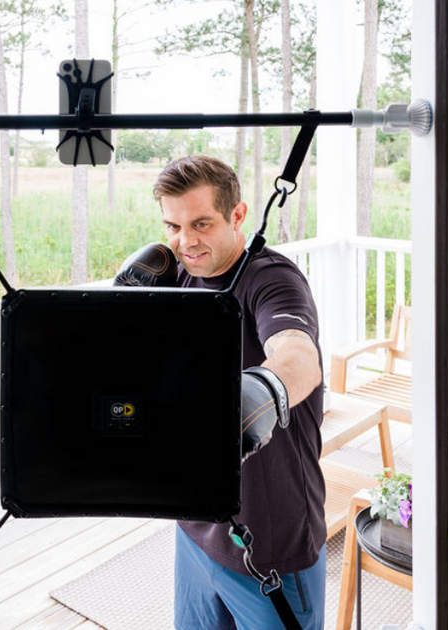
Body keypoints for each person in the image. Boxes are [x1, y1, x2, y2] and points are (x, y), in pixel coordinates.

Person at [116, 155, 327, 630]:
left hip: (268, 538)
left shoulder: (271, 280)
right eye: (173, 225)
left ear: (238, 215)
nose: (185, 241)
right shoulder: (180, 271)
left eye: (202, 223)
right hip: (195, 527)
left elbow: (298, 355)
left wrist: (258, 394)